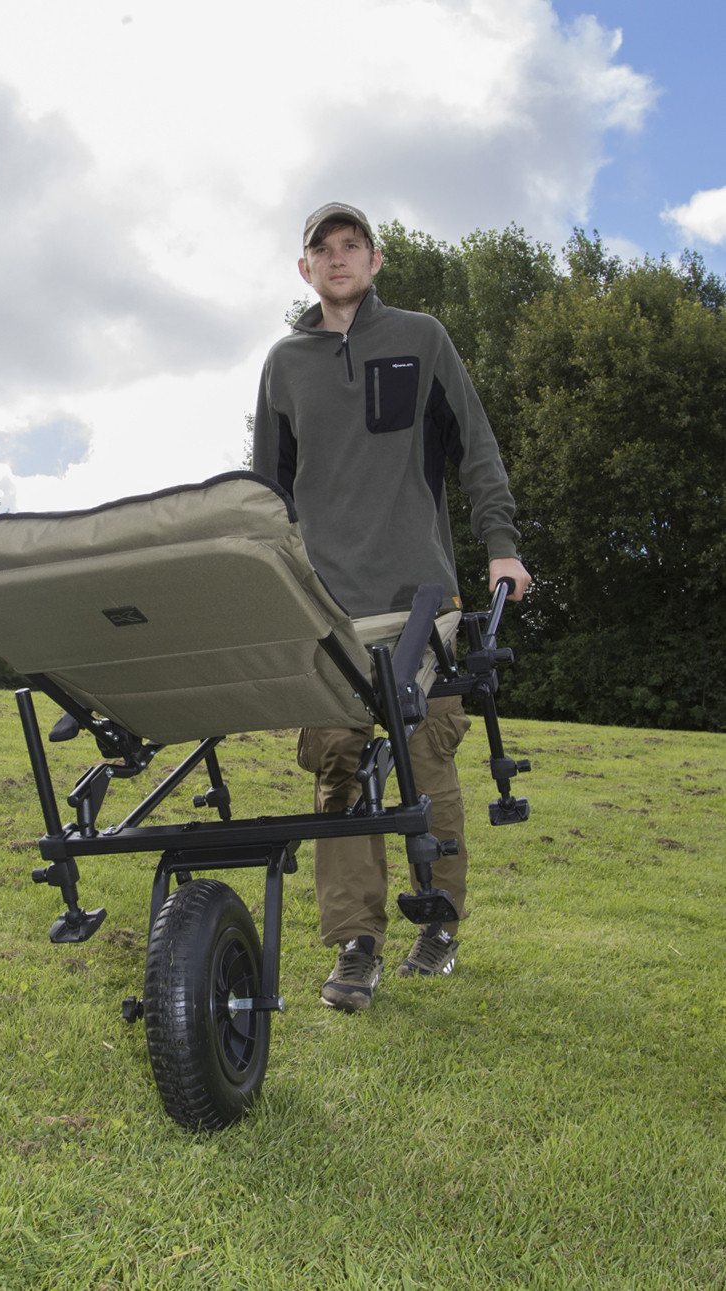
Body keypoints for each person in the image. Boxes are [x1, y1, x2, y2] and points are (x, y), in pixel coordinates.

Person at [253, 201, 531, 1012]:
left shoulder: (422, 338)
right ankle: (355, 944)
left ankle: (437, 923)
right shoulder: (284, 363)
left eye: (351, 246)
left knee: (425, 752)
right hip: (327, 605)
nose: (336, 259)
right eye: (321, 249)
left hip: (421, 596)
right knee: (339, 760)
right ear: (304, 270)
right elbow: (269, 493)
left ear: (374, 262)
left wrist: (501, 545)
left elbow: (475, 447)